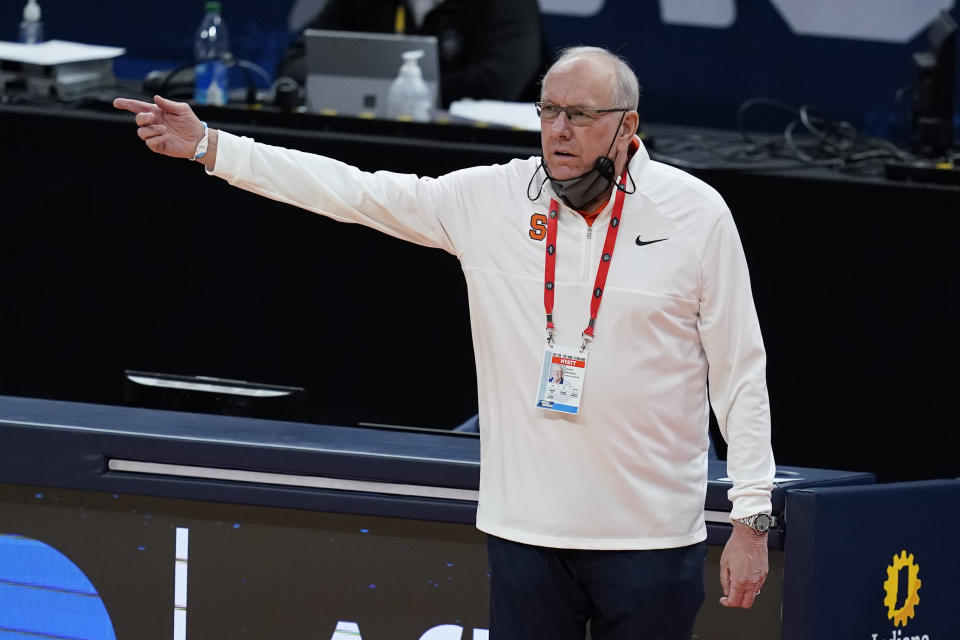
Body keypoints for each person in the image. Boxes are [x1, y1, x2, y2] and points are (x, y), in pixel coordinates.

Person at [114, 46, 775, 640]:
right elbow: (354, 193)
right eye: (548, 112)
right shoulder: (494, 199)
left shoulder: (695, 215)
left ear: (627, 126)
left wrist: (751, 519)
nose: (559, 131)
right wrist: (213, 148)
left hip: (651, 538)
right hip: (526, 533)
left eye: (580, 114)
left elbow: (739, 369)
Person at [277, 0, 548, 107]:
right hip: (372, 145)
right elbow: (297, 63)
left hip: (480, 156)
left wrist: (377, 88)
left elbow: (498, 84)